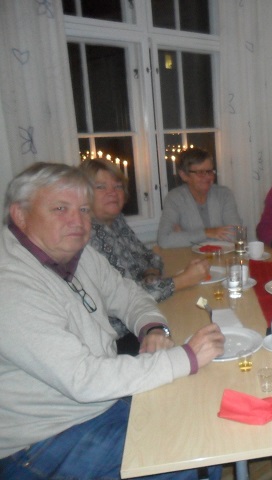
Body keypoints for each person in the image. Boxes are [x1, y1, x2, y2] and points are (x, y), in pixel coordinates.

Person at [0, 163, 225, 479]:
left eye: (83, 209)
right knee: (188, 456)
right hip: (43, 441)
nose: (77, 221)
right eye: (60, 209)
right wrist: (186, 357)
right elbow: (84, 379)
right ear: (20, 215)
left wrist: (153, 327)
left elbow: (130, 295)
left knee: (204, 425)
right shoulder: (11, 285)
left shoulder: (77, 253)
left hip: (99, 405)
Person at [80, 159, 210, 354]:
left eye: (117, 186)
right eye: (101, 187)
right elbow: (127, 297)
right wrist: (182, 280)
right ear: (82, 193)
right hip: (120, 338)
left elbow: (149, 256)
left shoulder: (116, 222)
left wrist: (150, 272)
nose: (112, 192)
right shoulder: (87, 237)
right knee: (197, 332)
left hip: (145, 316)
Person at [157, 147, 242, 248]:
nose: (208, 177)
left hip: (223, 256)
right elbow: (164, 240)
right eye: (200, 172)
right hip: (190, 257)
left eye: (209, 171)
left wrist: (184, 236)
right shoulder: (174, 199)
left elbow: (236, 235)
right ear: (184, 175)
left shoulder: (224, 195)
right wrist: (207, 232)